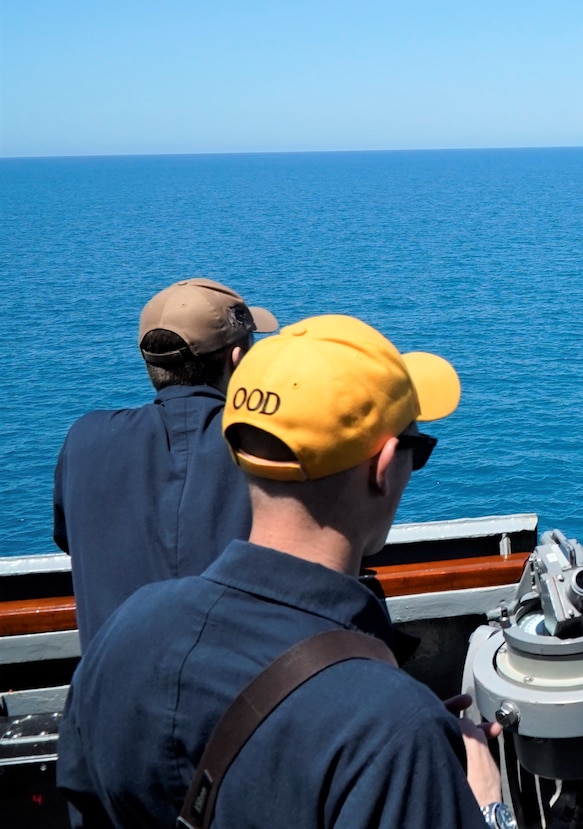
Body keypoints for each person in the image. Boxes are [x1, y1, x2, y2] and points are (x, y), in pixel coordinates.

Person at [57, 314, 513, 829]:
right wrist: (486, 806)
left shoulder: (127, 631)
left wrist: (403, 727)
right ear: (381, 468)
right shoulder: (392, 730)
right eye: (417, 449)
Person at [53, 277, 279, 649]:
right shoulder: (266, 441)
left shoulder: (84, 440)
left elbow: (72, 540)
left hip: (107, 698)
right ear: (236, 359)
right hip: (248, 698)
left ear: (149, 362)